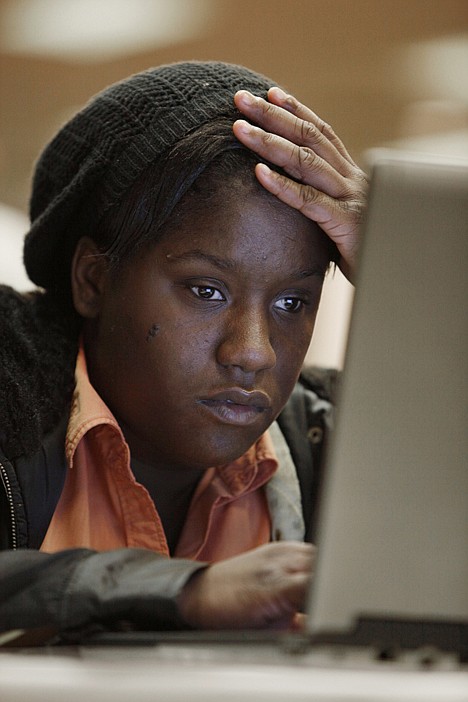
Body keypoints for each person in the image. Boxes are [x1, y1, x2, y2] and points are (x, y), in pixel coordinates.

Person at [0, 61, 367, 641]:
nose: (252, 353)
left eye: (292, 303)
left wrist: (416, 279)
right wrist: (182, 590)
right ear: (93, 279)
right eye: (207, 291)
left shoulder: (341, 446)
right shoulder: (9, 397)